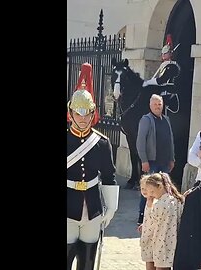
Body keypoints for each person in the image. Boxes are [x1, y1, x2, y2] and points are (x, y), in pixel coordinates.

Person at [67, 63, 120, 270]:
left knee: (87, 262)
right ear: (71, 113)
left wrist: (112, 207)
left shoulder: (101, 142)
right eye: (78, 113)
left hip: (92, 207)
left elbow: (109, 176)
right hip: (67, 204)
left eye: (87, 113)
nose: (83, 118)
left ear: (92, 114)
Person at [136, 94, 175, 224]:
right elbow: (140, 141)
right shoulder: (146, 120)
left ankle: (162, 215)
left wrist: (172, 158)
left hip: (165, 162)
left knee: (165, 189)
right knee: (148, 189)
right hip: (151, 162)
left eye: (159, 104)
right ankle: (143, 216)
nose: (158, 107)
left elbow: (170, 141)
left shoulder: (166, 119)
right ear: (150, 105)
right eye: (155, 104)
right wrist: (144, 160)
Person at [140, 172, 184, 270]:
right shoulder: (175, 200)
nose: (151, 195)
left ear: (160, 187)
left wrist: (150, 205)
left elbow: (153, 219)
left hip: (161, 241)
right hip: (170, 240)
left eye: (152, 191)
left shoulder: (160, 204)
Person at [142, 34, 181, 114]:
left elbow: (162, 80)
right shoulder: (165, 65)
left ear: (170, 53)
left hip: (169, 94)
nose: (163, 55)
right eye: (162, 53)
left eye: (165, 53)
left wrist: (148, 82)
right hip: (162, 93)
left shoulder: (172, 66)